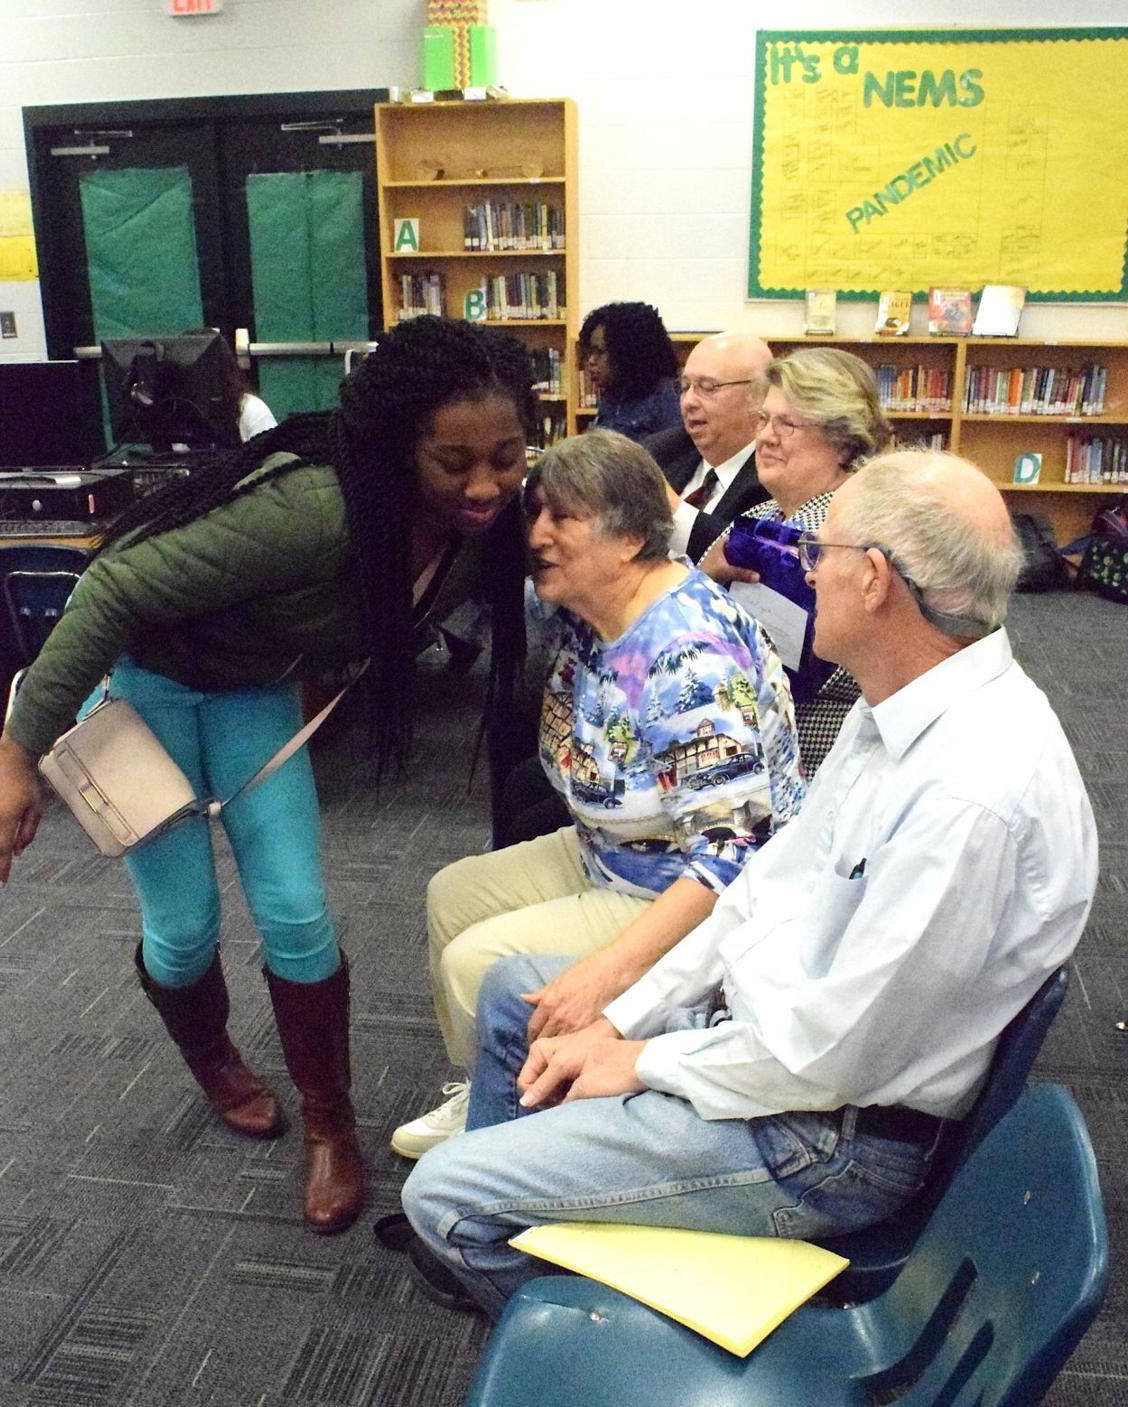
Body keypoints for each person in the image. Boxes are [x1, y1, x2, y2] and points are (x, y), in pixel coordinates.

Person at [398, 448, 1099, 1316]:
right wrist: (623, 1011)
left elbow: (829, 1054)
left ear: (874, 579)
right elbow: (765, 882)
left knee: (441, 1196)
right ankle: (554, 1206)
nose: (804, 574)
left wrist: (643, 1057)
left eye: (819, 556)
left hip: (824, 1140)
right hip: (777, 1045)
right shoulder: (897, 707)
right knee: (518, 991)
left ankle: (607, 1326)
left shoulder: (970, 795)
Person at [0, 315, 535, 1235]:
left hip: (252, 700)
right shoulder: (312, 506)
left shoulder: (480, 527)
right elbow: (112, 587)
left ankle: (331, 1125)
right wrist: (12, 754)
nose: (485, 484)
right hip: (145, 694)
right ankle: (215, 1059)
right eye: (454, 460)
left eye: (507, 456)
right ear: (399, 446)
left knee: (298, 910)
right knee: (183, 930)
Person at [389, 429, 804, 1160]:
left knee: (475, 963)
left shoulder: (687, 658)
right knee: (450, 895)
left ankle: (525, 1117)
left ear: (631, 539)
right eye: (538, 513)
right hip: (609, 850)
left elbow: (732, 858)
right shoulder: (594, 604)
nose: (539, 535)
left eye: (564, 518)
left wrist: (606, 974)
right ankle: (497, 1076)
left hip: (683, 892)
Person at [707, 347, 893, 775]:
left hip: (813, 751)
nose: (765, 437)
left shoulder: (849, 535)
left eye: (787, 424)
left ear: (843, 441)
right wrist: (703, 578)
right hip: (747, 732)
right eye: (763, 420)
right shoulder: (760, 517)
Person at [644, 332, 774, 562]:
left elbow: (749, 556)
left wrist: (671, 509)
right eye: (685, 387)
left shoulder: (774, 473)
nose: (689, 401)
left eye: (708, 387)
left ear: (759, 395)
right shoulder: (659, 452)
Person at [580, 303, 682, 443]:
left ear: (626, 354)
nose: (591, 360)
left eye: (600, 352)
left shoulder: (667, 396)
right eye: (590, 352)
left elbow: (678, 458)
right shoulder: (611, 396)